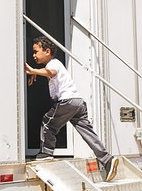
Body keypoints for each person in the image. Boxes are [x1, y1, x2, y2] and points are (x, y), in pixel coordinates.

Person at [24, 36, 119, 181]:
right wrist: (38, 73)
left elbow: (51, 73)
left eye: (36, 52)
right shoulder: (53, 64)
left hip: (67, 101)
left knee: (48, 122)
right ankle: (107, 159)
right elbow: (49, 73)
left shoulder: (53, 63)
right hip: (78, 103)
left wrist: (34, 71)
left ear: (47, 51)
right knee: (87, 131)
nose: (33, 55)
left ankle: (46, 153)